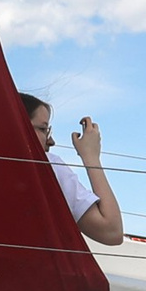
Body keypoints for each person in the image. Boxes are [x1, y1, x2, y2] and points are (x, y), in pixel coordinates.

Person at [22, 93, 124, 245]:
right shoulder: (47, 166)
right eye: (43, 129)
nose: (51, 141)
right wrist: (91, 157)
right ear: (20, 125)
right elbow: (111, 232)